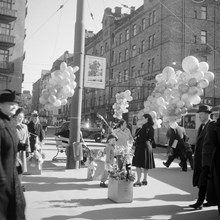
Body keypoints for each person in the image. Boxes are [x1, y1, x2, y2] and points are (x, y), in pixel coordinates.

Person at [0, 90, 26, 220]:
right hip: (3, 177)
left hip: (12, 175)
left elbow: (10, 143)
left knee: (18, 207)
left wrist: (21, 146)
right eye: (10, 104)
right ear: (1, 105)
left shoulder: (10, 122)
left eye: (15, 105)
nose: (14, 107)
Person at [189, 105, 212, 210]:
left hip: (207, 160)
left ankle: (199, 202)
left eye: (201, 114)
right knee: (203, 181)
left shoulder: (211, 125)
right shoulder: (202, 126)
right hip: (200, 159)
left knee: (203, 182)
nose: (199, 116)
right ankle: (208, 200)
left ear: (207, 114)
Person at [201, 110, 220, 213]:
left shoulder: (213, 126)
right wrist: (206, 165)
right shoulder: (214, 126)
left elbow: (208, 146)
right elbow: (208, 147)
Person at [132, 114, 155, 187]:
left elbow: (141, 138)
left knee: (138, 164)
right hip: (148, 147)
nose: (141, 119)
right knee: (146, 165)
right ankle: (145, 180)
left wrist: (135, 141)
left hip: (141, 147)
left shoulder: (143, 127)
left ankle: (138, 181)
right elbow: (151, 138)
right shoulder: (151, 127)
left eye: (143, 118)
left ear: (147, 119)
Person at [13, 107, 31, 191]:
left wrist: (28, 151)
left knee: (21, 169)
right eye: (19, 116)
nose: (21, 119)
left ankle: (19, 184)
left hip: (22, 152)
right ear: (15, 116)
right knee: (14, 169)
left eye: (22, 117)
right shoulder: (10, 126)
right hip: (14, 151)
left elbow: (27, 139)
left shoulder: (25, 127)